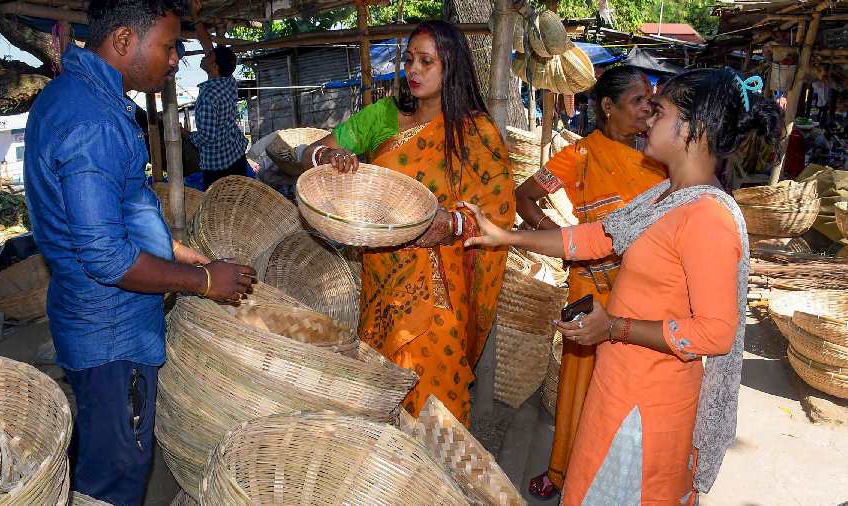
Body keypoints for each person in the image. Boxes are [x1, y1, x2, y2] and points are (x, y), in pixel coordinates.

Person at [464, 67, 781, 504]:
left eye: (661, 111)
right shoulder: (662, 197)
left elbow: (715, 333)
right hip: (617, 384)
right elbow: (595, 237)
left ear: (693, 128)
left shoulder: (709, 218)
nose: (649, 118)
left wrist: (614, 328)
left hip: (648, 407)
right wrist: (508, 237)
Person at [24, 0, 255, 503]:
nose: (176, 60)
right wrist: (206, 281)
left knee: (103, 456)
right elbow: (107, 258)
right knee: (118, 475)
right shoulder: (94, 122)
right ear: (125, 41)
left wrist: (172, 250)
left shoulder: (75, 97)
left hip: (95, 319)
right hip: (111, 334)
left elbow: (108, 213)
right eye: (169, 46)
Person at [299, 20, 515, 425]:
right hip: (382, 274)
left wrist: (452, 225)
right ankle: (393, 469)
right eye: (409, 60)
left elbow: (498, 211)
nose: (413, 70)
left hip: (441, 284)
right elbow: (310, 153)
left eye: (426, 62)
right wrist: (329, 159)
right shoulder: (383, 115)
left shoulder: (477, 132)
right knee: (381, 378)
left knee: (436, 378)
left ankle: (437, 470)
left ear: (451, 67)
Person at [515, 65, 667, 500]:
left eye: (650, 100)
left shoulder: (659, 159)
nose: (647, 108)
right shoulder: (578, 156)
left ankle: (611, 476)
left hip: (640, 293)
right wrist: (563, 243)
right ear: (607, 107)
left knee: (624, 390)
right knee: (577, 384)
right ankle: (561, 469)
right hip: (588, 288)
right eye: (638, 100)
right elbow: (523, 196)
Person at [183, 24, 249, 189]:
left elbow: (207, 137)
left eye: (209, 55)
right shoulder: (229, 82)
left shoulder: (207, 97)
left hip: (219, 168)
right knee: (238, 204)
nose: (205, 55)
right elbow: (207, 45)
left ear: (215, 65)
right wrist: (195, 17)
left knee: (218, 210)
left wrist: (186, 134)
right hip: (236, 155)